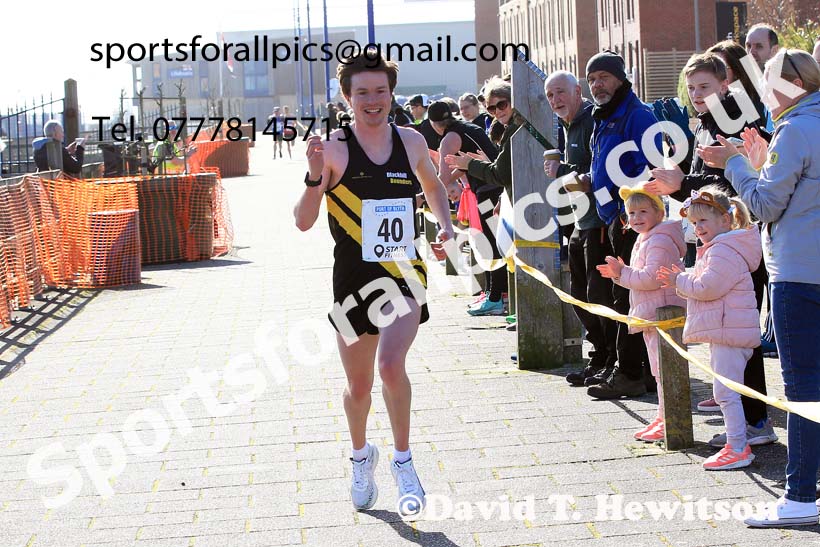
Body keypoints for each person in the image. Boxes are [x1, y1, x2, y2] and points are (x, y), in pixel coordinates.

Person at [293, 50, 454, 517]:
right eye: (362, 92)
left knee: (390, 365)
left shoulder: (411, 142)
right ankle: (361, 457)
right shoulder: (334, 149)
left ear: (391, 93)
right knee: (359, 386)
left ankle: (404, 461)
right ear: (347, 97)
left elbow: (434, 186)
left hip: (405, 275)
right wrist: (311, 175)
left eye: (380, 91)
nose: (372, 100)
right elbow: (303, 222)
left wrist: (443, 225)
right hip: (353, 284)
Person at [698, 48, 820, 527]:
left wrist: (734, 164)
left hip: (798, 273)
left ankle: (799, 497)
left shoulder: (794, 128)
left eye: (766, 81)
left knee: (806, 388)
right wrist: (760, 161)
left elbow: (766, 205)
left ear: (785, 85)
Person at [646, 53, 777, 445]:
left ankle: (755, 421)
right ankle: (735, 403)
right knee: (725, 329)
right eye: (692, 88)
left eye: (705, 86)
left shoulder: (736, 116)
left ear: (725, 84)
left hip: (739, 237)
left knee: (738, 330)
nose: (697, 94)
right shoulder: (705, 122)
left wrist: (682, 182)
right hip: (717, 236)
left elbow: (733, 178)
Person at [658, 187, 761, 470]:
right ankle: (736, 441)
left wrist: (679, 280)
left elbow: (708, 287)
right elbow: (706, 279)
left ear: (725, 221)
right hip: (727, 331)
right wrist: (683, 277)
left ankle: (738, 447)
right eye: (693, 223)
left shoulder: (724, 250)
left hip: (729, 332)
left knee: (725, 393)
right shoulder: (720, 248)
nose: (698, 228)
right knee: (724, 392)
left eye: (703, 221)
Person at [578, 50, 658, 399]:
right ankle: (623, 366)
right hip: (613, 217)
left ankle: (631, 373)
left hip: (632, 219)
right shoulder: (603, 115)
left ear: (621, 79)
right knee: (615, 294)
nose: (597, 84)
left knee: (627, 296)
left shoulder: (637, 115)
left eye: (604, 77)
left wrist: (629, 209)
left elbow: (649, 164)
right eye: (592, 78)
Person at [543, 71, 617, 386]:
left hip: (598, 220)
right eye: (550, 96)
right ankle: (599, 354)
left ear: (577, 91)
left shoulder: (590, 120)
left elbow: (597, 170)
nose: (556, 100)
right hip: (579, 220)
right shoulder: (568, 123)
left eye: (560, 92)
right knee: (577, 293)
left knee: (599, 294)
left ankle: (611, 359)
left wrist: (563, 170)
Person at [598, 184, 686, 441]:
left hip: (663, 313)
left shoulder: (658, 239)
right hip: (652, 312)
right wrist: (621, 273)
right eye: (632, 213)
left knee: (664, 368)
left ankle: (669, 418)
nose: (636, 218)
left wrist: (621, 274)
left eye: (643, 212)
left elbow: (651, 279)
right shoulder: (647, 237)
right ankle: (662, 415)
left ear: (659, 213)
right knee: (658, 370)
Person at [427, 100, 505, 316]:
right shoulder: (469, 128)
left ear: (434, 124)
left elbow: (441, 179)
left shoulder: (449, 139)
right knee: (494, 241)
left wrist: (420, 196)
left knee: (490, 244)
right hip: (498, 187)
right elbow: (464, 167)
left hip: (488, 191)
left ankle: (496, 298)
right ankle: (494, 293)